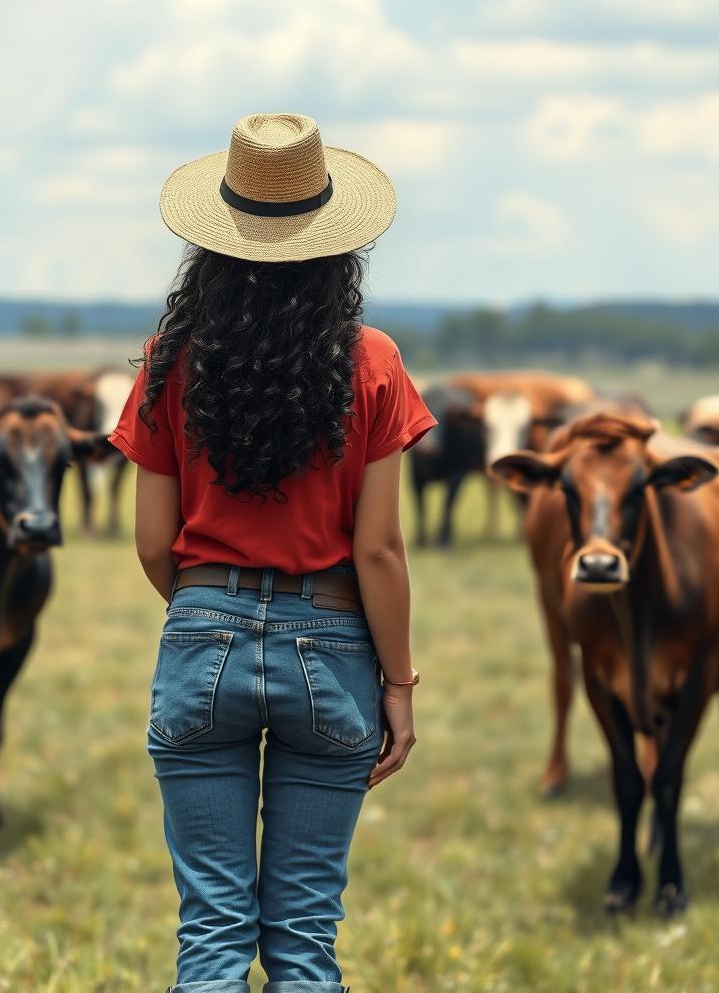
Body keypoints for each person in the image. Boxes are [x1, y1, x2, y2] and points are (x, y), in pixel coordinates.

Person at [108, 112, 436, 993]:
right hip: (332, 647)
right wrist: (398, 686)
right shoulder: (373, 360)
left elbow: (149, 543)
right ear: (338, 247)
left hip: (200, 627)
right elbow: (379, 552)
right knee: (302, 938)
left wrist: (213, 608)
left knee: (211, 930)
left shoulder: (169, 359)